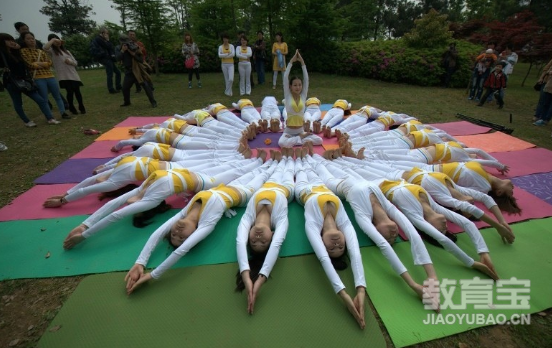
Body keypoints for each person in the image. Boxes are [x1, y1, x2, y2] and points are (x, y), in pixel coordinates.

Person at [124, 157, 275, 294]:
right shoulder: (207, 224)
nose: (177, 232)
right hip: (244, 193)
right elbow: (181, 250)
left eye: (173, 235)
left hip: (226, 186)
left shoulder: (184, 213)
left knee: (253, 167)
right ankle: (273, 163)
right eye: (182, 237)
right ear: (195, 233)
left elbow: (157, 233)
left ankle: (262, 159)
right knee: (263, 175)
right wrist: (152, 275)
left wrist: (140, 262)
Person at [309, 154, 440, 310]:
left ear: (375, 228)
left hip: (336, 185)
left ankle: (315, 156)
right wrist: (431, 277)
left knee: (321, 165)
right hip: (361, 180)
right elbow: (412, 234)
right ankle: (327, 155)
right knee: (341, 163)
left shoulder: (363, 217)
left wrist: (418, 282)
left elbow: (384, 245)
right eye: (395, 237)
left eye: (390, 237)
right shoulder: (387, 207)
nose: (393, 235)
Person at [62, 152, 267, 250]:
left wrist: (85, 226)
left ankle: (256, 161)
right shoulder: (150, 199)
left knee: (235, 165)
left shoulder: (144, 192)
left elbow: (114, 206)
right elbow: (117, 213)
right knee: (239, 170)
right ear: (144, 210)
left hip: (193, 176)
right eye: (135, 209)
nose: (130, 206)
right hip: (204, 183)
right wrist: (85, 232)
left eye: (132, 208)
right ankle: (260, 163)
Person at [294, 152, 367, 329]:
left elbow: (324, 259)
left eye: (332, 248)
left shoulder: (312, 224)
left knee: (301, 168)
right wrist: (361, 290)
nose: (337, 244)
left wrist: (344, 295)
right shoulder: (343, 221)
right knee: (316, 166)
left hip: (304, 190)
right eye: (340, 246)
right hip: (323, 186)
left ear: (321, 242)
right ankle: (310, 153)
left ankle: (296, 157)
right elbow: (355, 253)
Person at [236, 149, 295, 313]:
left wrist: (246, 276)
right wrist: (260, 279)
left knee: (268, 174)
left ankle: (275, 161)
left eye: (253, 242)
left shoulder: (249, 217)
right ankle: (287, 158)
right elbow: (277, 245)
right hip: (286, 188)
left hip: (264, 186)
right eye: (263, 242)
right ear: (273, 235)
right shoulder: (281, 220)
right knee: (288, 170)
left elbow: (240, 242)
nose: (258, 238)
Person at [0, 33, 59, 126]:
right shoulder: (2, 54)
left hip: (24, 80)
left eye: (12, 40)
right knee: (18, 102)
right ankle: (26, 121)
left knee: (40, 100)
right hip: (11, 82)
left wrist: (17, 48)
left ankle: (50, 118)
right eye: (8, 40)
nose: (11, 42)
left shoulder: (17, 52)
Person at [20, 31, 70, 120]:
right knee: (44, 98)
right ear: (24, 41)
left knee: (57, 96)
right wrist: (41, 64)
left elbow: (49, 63)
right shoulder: (24, 51)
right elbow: (29, 64)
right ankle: (49, 116)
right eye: (28, 39)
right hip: (38, 78)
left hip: (49, 75)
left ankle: (63, 112)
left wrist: (38, 64)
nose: (31, 40)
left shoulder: (40, 51)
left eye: (32, 38)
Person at [278, 50, 323, 148]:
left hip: (300, 130)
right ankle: (300, 138)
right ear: (290, 86)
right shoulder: (288, 95)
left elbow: (306, 80)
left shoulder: (303, 96)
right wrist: (291, 62)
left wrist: (302, 63)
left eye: (299, 85)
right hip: (289, 132)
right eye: (295, 85)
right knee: (281, 143)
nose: (297, 87)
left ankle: (297, 139)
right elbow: (285, 77)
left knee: (319, 140)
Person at [43, 34, 86, 115]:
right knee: (70, 92)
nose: (57, 42)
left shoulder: (67, 51)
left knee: (77, 91)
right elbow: (44, 48)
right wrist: (52, 40)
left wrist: (70, 62)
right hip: (63, 76)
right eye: (55, 41)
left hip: (73, 74)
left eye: (58, 40)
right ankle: (72, 107)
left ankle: (81, 106)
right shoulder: (51, 51)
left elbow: (75, 63)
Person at [116, 34, 157, 108]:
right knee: (125, 88)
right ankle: (127, 102)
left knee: (146, 86)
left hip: (138, 71)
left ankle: (153, 102)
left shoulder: (134, 46)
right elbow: (118, 58)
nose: (126, 43)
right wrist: (122, 50)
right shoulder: (119, 48)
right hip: (129, 72)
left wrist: (133, 54)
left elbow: (141, 60)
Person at [90, 27, 122, 94]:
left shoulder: (102, 40)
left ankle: (118, 86)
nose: (108, 34)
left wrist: (108, 41)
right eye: (107, 33)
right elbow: (108, 46)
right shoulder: (99, 39)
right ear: (102, 33)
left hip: (107, 58)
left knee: (118, 72)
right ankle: (111, 89)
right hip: (104, 58)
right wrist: (107, 40)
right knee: (110, 73)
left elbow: (111, 46)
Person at [532, 58, 552, 127]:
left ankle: (545, 119)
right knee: (544, 102)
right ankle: (540, 118)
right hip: (548, 84)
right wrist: (542, 77)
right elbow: (546, 69)